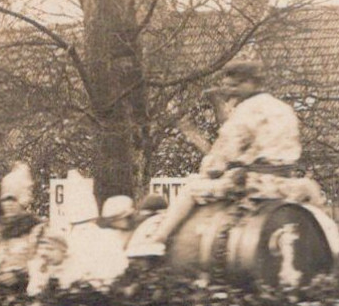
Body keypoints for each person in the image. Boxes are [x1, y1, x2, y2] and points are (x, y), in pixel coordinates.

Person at [128, 59, 321, 256]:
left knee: (191, 188)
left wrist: (210, 169)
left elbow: (221, 158)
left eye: (235, 86)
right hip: (286, 184)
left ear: (251, 83)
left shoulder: (245, 111)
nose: (231, 91)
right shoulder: (284, 109)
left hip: (255, 185)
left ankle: (158, 239)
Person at [0, 163, 45, 280]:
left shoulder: (36, 228)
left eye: (13, 200)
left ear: (22, 201)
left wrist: (17, 276)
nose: (8, 204)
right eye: (5, 200)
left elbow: (40, 263)